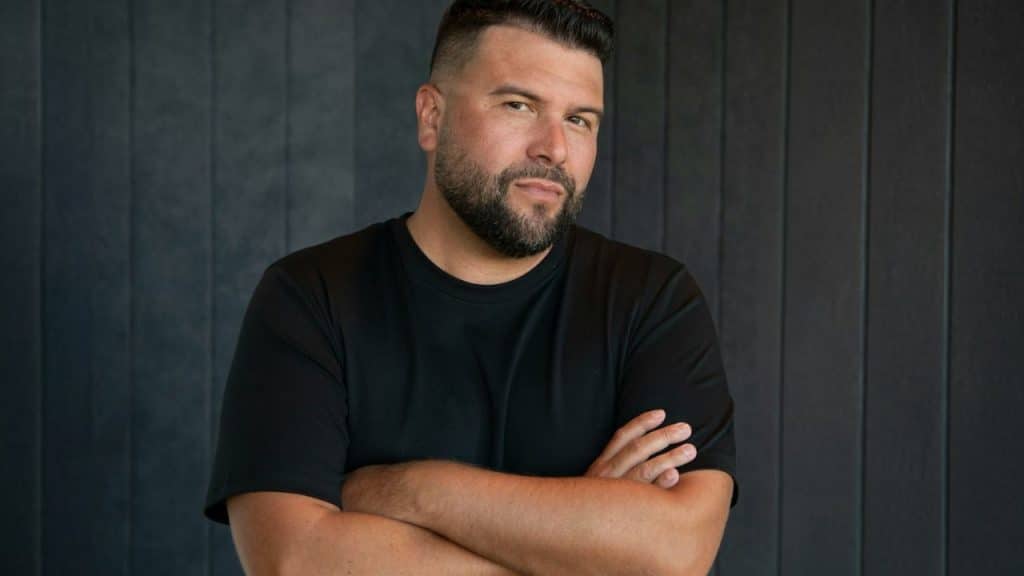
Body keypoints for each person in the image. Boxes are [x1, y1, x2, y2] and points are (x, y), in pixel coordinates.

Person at [204, 1, 738, 574]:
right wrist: (578, 548)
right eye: (518, 105)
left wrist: (404, 490)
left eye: (580, 119)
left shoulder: (650, 300)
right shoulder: (310, 296)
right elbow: (294, 560)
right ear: (431, 117)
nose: (554, 148)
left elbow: (676, 552)